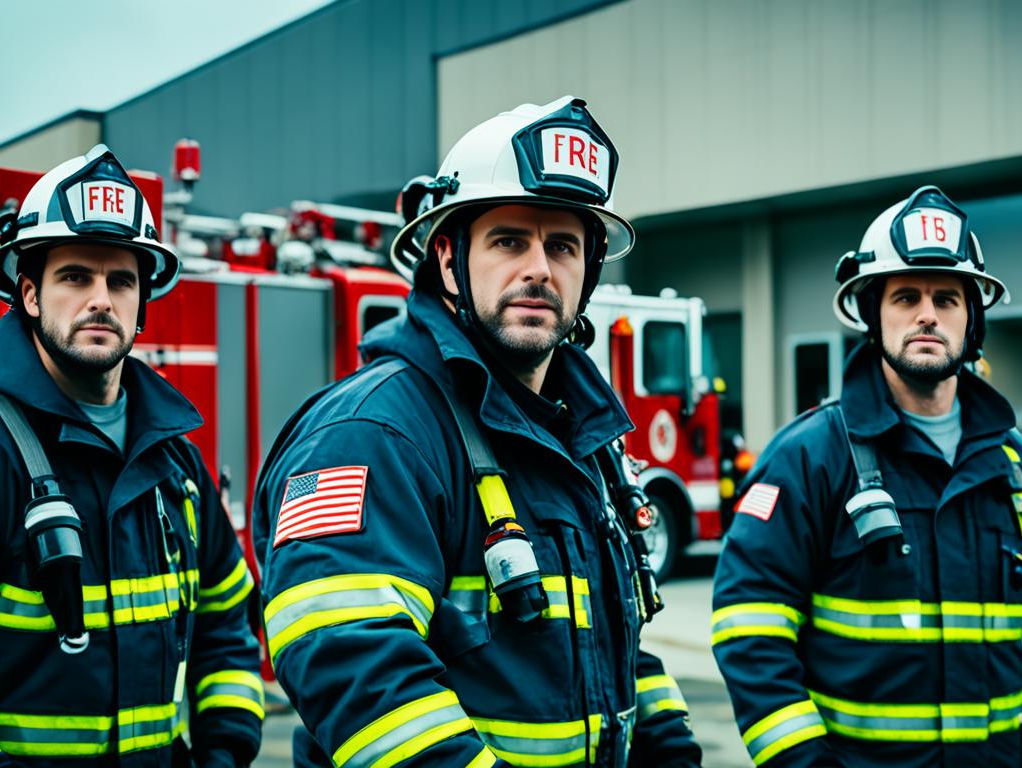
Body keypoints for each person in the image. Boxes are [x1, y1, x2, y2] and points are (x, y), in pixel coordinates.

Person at [252, 96, 702, 767]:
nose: (539, 269)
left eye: (563, 246)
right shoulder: (373, 432)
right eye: (509, 240)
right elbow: (352, 662)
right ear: (446, 256)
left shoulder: (585, 440)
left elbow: (614, 647)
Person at [711, 186, 1022, 767]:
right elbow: (750, 631)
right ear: (871, 315)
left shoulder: (1020, 470)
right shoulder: (808, 460)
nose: (927, 314)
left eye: (947, 299)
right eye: (905, 296)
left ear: (972, 320)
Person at [0, 146, 263, 767]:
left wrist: (224, 753)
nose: (101, 299)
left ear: (142, 303)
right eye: (75, 277)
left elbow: (227, 625)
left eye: (121, 281)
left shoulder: (178, 466)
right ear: (30, 296)